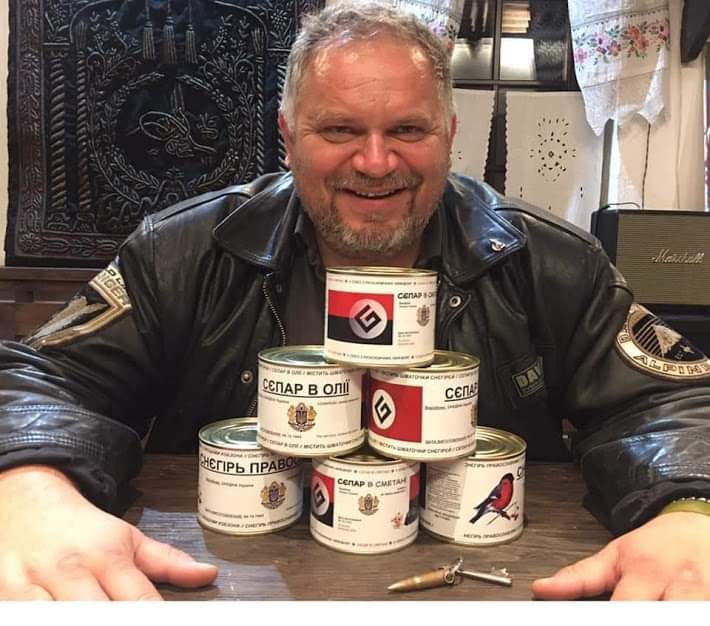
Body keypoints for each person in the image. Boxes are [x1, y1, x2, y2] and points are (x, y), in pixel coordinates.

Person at [1, 1, 709, 601]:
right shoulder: (182, 251)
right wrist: (30, 484)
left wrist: (690, 510)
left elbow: (671, 400)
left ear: (449, 136)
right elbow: (46, 377)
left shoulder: (548, 260)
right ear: (288, 138)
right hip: (225, 583)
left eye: (407, 130)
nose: (375, 162)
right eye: (339, 130)